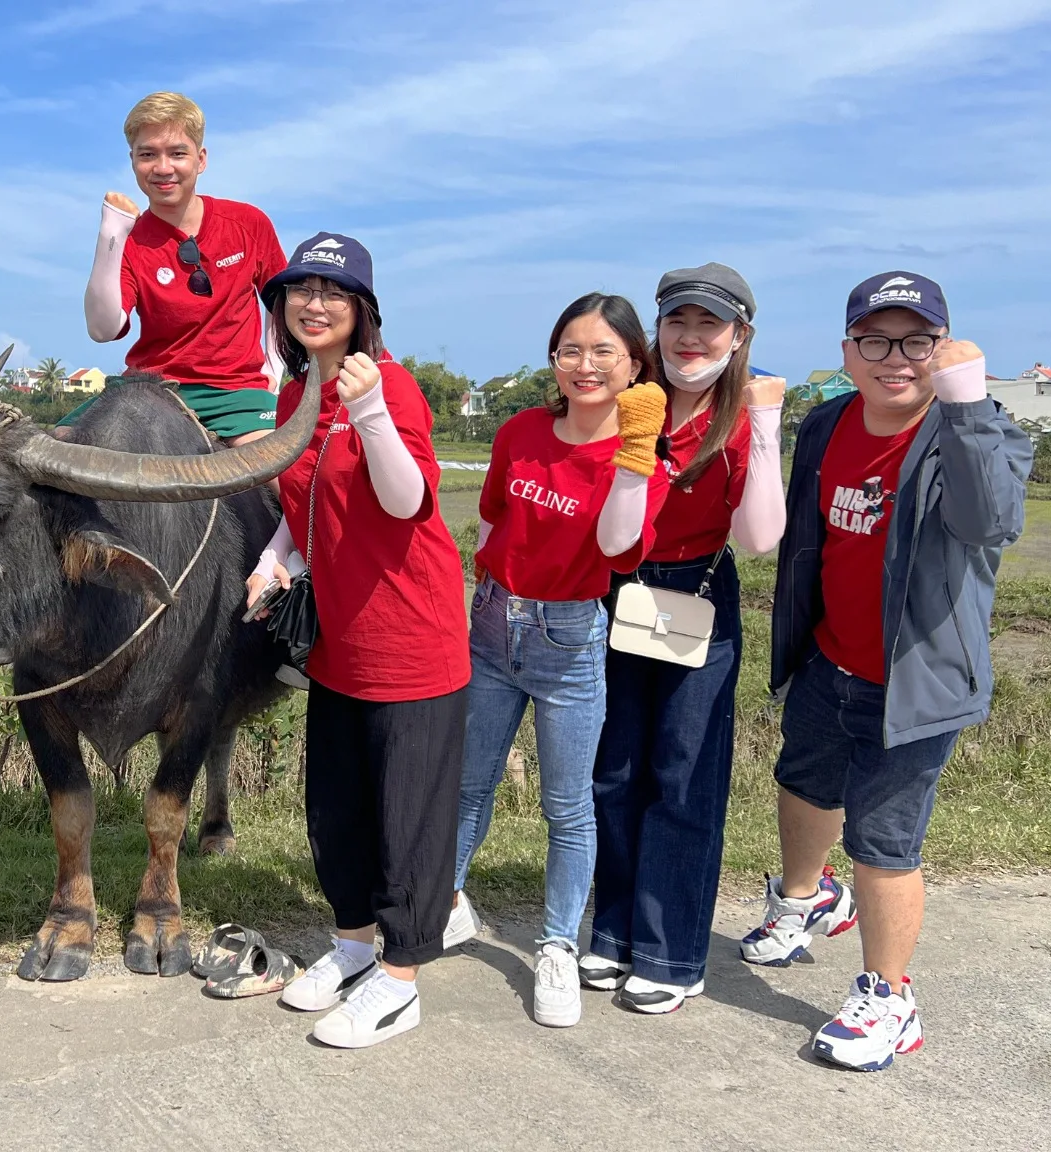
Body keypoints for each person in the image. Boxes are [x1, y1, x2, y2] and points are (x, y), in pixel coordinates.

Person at [743, 271, 1031, 1071]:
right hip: (829, 655)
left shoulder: (980, 428)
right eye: (875, 339)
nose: (894, 357)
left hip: (917, 682)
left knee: (884, 839)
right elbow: (802, 529)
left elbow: (988, 522)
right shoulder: (828, 422)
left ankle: (888, 995)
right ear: (848, 350)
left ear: (942, 349)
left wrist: (968, 404)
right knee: (801, 781)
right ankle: (802, 900)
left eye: (915, 340)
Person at [242, 233, 470, 1048]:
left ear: (362, 311)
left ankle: (402, 980)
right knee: (336, 811)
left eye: (332, 292)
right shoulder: (296, 396)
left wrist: (369, 410)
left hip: (411, 639)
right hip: (338, 641)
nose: (313, 303)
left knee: (405, 817)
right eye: (297, 291)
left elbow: (406, 500)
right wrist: (273, 562)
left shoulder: (393, 385)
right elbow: (301, 508)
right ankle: (352, 948)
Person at [443, 292, 669, 1028]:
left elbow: (616, 549)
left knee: (567, 808)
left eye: (606, 351)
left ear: (636, 364)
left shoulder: (640, 461)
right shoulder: (521, 431)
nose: (586, 364)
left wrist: (634, 456)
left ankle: (556, 948)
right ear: (553, 359)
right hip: (493, 624)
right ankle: (436, 905)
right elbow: (492, 520)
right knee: (469, 785)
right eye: (571, 349)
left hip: (571, 640)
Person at [585, 264, 787, 1014]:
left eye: (710, 325)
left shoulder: (740, 418)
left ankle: (672, 952)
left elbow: (760, 537)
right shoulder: (630, 408)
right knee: (617, 766)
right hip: (627, 589)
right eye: (678, 322)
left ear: (739, 338)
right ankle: (615, 931)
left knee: (682, 773)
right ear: (657, 331)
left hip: (700, 591)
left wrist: (764, 427)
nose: (692, 338)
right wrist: (636, 450)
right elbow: (614, 541)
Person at [77, 91, 288, 444]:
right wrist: (110, 233)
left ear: (200, 159)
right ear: (132, 161)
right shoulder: (129, 239)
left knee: (286, 479)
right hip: (148, 392)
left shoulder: (248, 223)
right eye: (148, 155)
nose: (163, 168)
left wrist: (274, 369)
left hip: (235, 392)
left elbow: (285, 304)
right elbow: (103, 328)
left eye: (177, 153)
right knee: (56, 454)